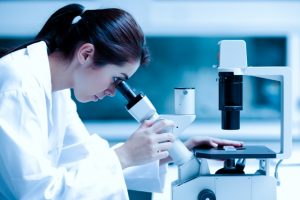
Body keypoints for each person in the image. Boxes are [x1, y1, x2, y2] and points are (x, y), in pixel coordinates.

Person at [0, 4, 243, 200]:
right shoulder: (19, 86)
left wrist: (175, 152)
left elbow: (83, 160)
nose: (113, 91)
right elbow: (34, 194)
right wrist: (125, 154)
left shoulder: (56, 89)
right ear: (86, 54)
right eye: (117, 80)